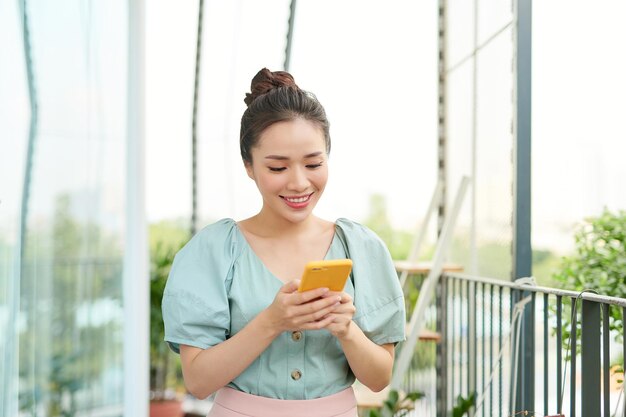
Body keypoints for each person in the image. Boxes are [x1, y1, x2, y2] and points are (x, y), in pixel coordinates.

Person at [162, 68, 406, 417]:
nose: (299, 183)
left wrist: (345, 329)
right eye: (278, 168)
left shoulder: (361, 248)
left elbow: (380, 377)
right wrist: (272, 321)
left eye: (313, 163)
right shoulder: (214, 251)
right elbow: (198, 382)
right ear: (249, 165)